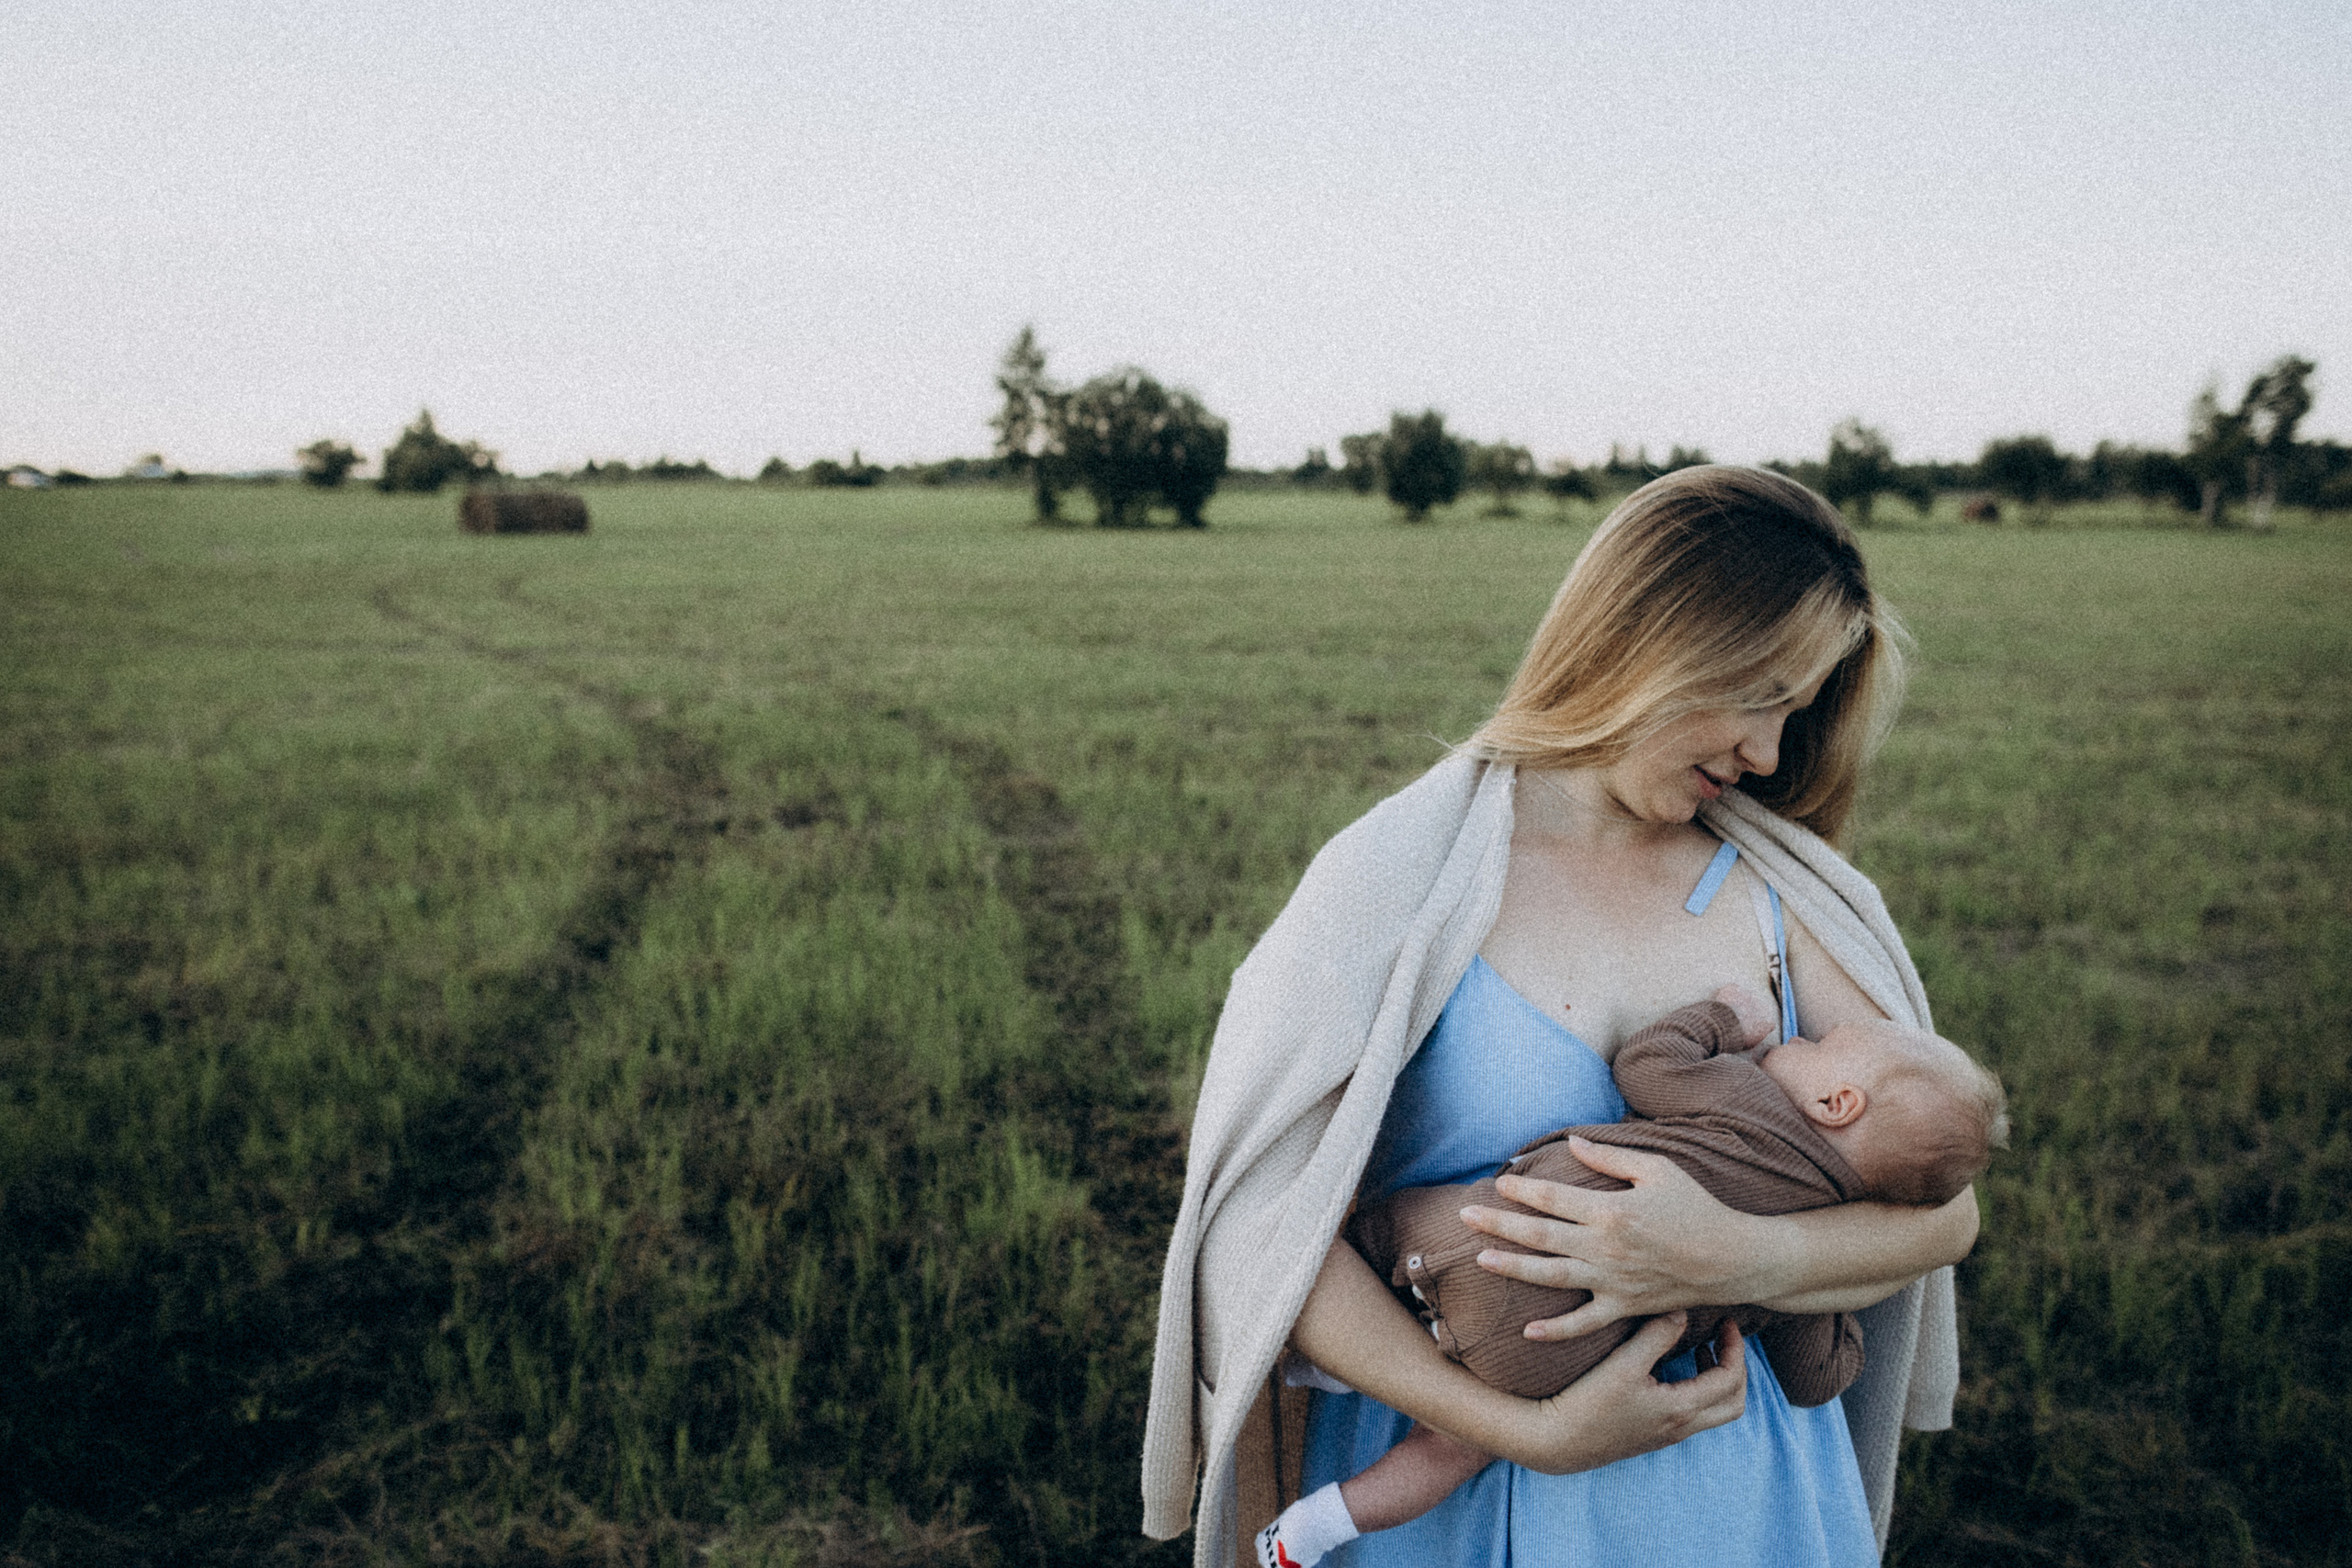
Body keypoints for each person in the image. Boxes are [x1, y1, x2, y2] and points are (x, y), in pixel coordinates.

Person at [1141, 465, 1983, 1568]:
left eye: (1800, 710)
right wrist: (1528, 1433)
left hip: (1736, 1504)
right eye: (1763, 695)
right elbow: (1260, 1235)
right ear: (1659, 643)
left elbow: (1941, 1218)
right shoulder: (1398, 880)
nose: (1772, 754)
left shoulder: (1786, 894)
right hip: (1447, 1495)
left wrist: (1733, 1255)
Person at [1254, 982, 2007, 1567]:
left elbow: (1646, 1065)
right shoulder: (1809, 1252)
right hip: (1549, 1367)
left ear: (1835, 1103)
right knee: (1450, 1447)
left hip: (1480, 1239)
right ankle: (1308, 1531)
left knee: (1378, 1224)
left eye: (1825, 1041)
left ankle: (1338, 1364)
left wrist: (1724, 1019)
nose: (1806, 1034)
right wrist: (1839, 1303)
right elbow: (1817, 1378)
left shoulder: (1753, 1104)